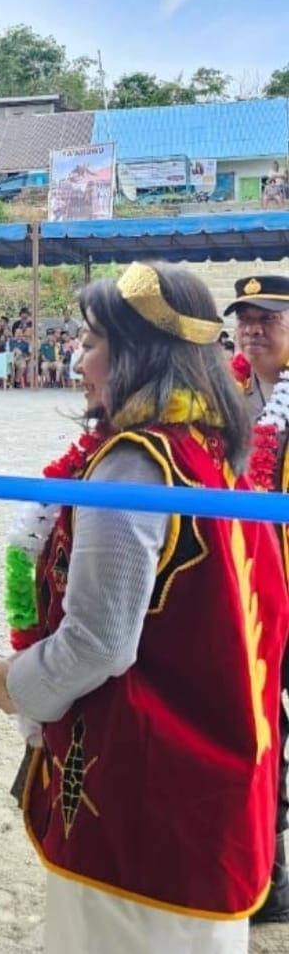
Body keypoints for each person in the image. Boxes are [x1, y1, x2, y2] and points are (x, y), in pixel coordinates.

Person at [0, 261, 289, 953]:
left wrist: (15, 686)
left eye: (90, 342)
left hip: (147, 786)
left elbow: (98, 642)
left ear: (136, 353)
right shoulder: (209, 447)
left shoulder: (134, 465)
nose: (78, 360)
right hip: (212, 772)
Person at [226, 272, 289, 925]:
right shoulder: (233, 392)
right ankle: (269, 872)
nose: (254, 328)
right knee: (261, 722)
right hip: (253, 590)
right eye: (246, 318)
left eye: (268, 317)